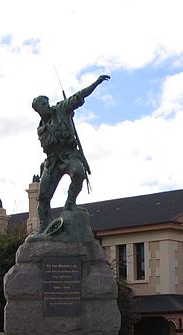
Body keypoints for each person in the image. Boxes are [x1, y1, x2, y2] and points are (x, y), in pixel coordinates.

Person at [31, 74, 110, 233]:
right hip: (52, 161)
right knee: (43, 196)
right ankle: (43, 228)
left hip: (69, 155)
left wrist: (95, 83)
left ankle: (70, 203)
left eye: (47, 102)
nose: (47, 105)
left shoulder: (61, 109)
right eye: (43, 104)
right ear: (38, 109)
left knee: (78, 173)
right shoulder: (41, 128)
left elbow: (78, 96)